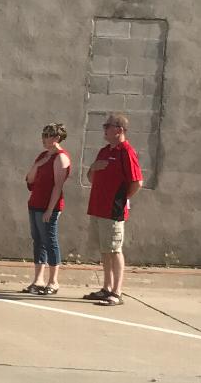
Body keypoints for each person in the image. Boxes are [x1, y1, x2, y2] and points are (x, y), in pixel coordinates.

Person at [84, 113, 142, 306]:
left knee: (115, 249)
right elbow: (90, 178)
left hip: (113, 210)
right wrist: (94, 167)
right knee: (105, 249)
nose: (104, 130)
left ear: (119, 130)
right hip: (98, 208)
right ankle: (106, 288)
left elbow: (137, 182)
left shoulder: (126, 151)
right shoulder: (103, 151)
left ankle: (117, 292)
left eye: (107, 126)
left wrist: (122, 199)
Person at [23, 123, 71, 295]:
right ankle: (38, 280)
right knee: (38, 241)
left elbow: (57, 186)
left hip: (48, 207)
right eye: (43, 134)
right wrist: (39, 163)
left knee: (50, 241)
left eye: (47, 135)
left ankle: (53, 281)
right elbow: (30, 178)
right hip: (35, 203)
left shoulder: (61, 158)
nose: (43, 138)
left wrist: (50, 210)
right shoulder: (43, 156)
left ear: (57, 138)